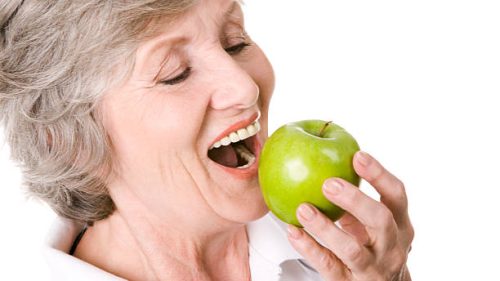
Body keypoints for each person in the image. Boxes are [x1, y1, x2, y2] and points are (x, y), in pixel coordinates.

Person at [0, 0, 414, 280]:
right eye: (175, 73)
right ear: (72, 143)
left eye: (235, 42)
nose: (245, 88)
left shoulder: (342, 259)